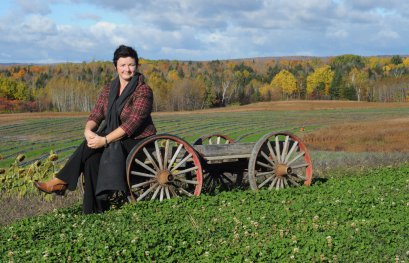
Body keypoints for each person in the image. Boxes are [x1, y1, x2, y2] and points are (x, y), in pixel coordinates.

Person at [34, 45, 156, 214]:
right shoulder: (108, 90)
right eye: (123, 65)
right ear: (116, 67)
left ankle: (60, 181)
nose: (127, 69)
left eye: (131, 65)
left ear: (136, 66)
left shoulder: (143, 91)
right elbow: (96, 115)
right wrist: (88, 131)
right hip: (115, 138)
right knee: (91, 160)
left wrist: (104, 140)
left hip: (138, 142)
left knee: (93, 145)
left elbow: (132, 124)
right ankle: (94, 211)